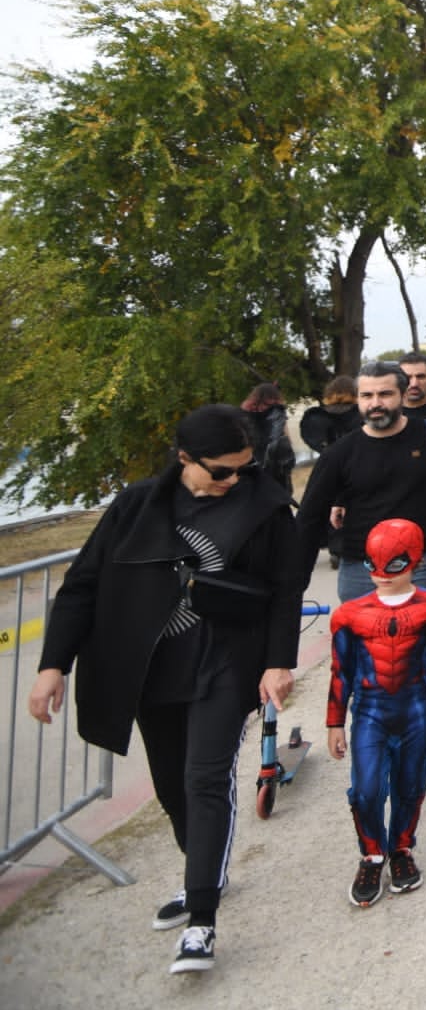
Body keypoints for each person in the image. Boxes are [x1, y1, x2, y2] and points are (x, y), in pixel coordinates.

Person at [28, 404, 306, 975]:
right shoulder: (135, 507)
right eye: (222, 470)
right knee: (172, 786)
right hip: (150, 669)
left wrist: (279, 662)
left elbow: (285, 592)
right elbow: (81, 587)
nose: (235, 480)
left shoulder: (265, 505)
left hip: (225, 661)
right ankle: (202, 870)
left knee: (205, 778)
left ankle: (202, 922)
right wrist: (52, 664)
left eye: (244, 467)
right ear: (184, 458)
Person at [326, 519, 426, 908]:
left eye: (394, 564)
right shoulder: (349, 615)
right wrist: (334, 722)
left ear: (415, 560)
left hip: (416, 708)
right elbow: (341, 671)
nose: (381, 575)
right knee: (366, 790)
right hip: (369, 711)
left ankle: (401, 849)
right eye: (372, 564)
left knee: (411, 785)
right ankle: (372, 854)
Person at [296, 361, 426, 602]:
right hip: (361, 570)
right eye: (367, 395)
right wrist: (294, 582)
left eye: (385, 394)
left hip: (424, 564)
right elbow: (309, 517)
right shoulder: (339, 453)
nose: (375, 403)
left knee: (425, 639)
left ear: (402, 396)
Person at [240, 383, 295, 491]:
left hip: (251, 460)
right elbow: (283, 437)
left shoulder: (244, 413)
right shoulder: (277, 411)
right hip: (276, 461)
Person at [298, 376, 361, 458]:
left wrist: (326, 452)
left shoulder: (315, 416)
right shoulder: (363, 414)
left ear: (329, 393)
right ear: (356, 393)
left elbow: (312, 440)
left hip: (330, 463)